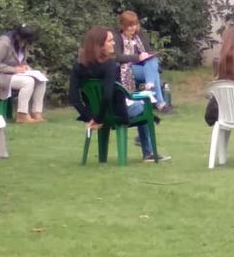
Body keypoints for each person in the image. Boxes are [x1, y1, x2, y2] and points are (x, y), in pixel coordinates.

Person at [69, 25, 169, 162]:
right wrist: (98, 119)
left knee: (139, 103)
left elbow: (73, 97)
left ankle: (147, 143)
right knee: (144, 103)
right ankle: (148, 152)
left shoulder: (78, 66)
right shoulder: (109, 64)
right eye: (110, 41)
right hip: (117, 112)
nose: (114, 43)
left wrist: (90, 117)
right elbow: (107, 95)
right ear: (100, 45)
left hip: (97, 111)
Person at [0, 24, 48, 123]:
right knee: (28, 81)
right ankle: (22, 115)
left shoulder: (21, 44)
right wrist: (14, 69)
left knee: (41, 80)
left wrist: (25, 66)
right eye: (25, 41)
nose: (26, 44)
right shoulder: (3, 43)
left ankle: (36, 112)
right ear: (19, 37)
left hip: (15, 76)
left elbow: (19, 61)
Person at [114, 11, 169, 113]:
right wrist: (137, 57)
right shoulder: (118, 37)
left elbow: (147, 52)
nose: (133, 28)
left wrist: (147, 56)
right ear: (122, 25)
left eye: (135, 24)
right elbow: (118, 57)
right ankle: (160, 103)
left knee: (153, 60)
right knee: (154, 74)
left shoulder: (139, 35)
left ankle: (150, 85)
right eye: (130, 25)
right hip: (126, 68)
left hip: (143, 67)